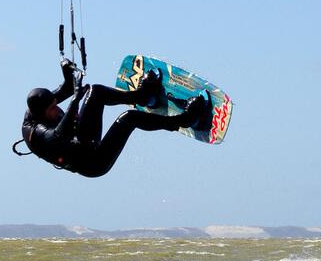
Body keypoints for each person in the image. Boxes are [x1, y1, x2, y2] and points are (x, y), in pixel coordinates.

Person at [20, 60, 208, 177]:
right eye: (53, 109)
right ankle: (185, 120)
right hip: (92, 161)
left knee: (96, 91)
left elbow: (67, 89)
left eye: (55, 104)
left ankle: (142, 96)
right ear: (41, 114)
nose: (56, 108)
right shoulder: (35, 133)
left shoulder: (37, 106)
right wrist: (76, 100)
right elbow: (59, 136)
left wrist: (67, 72)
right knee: (129, 118)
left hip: (81, 137)